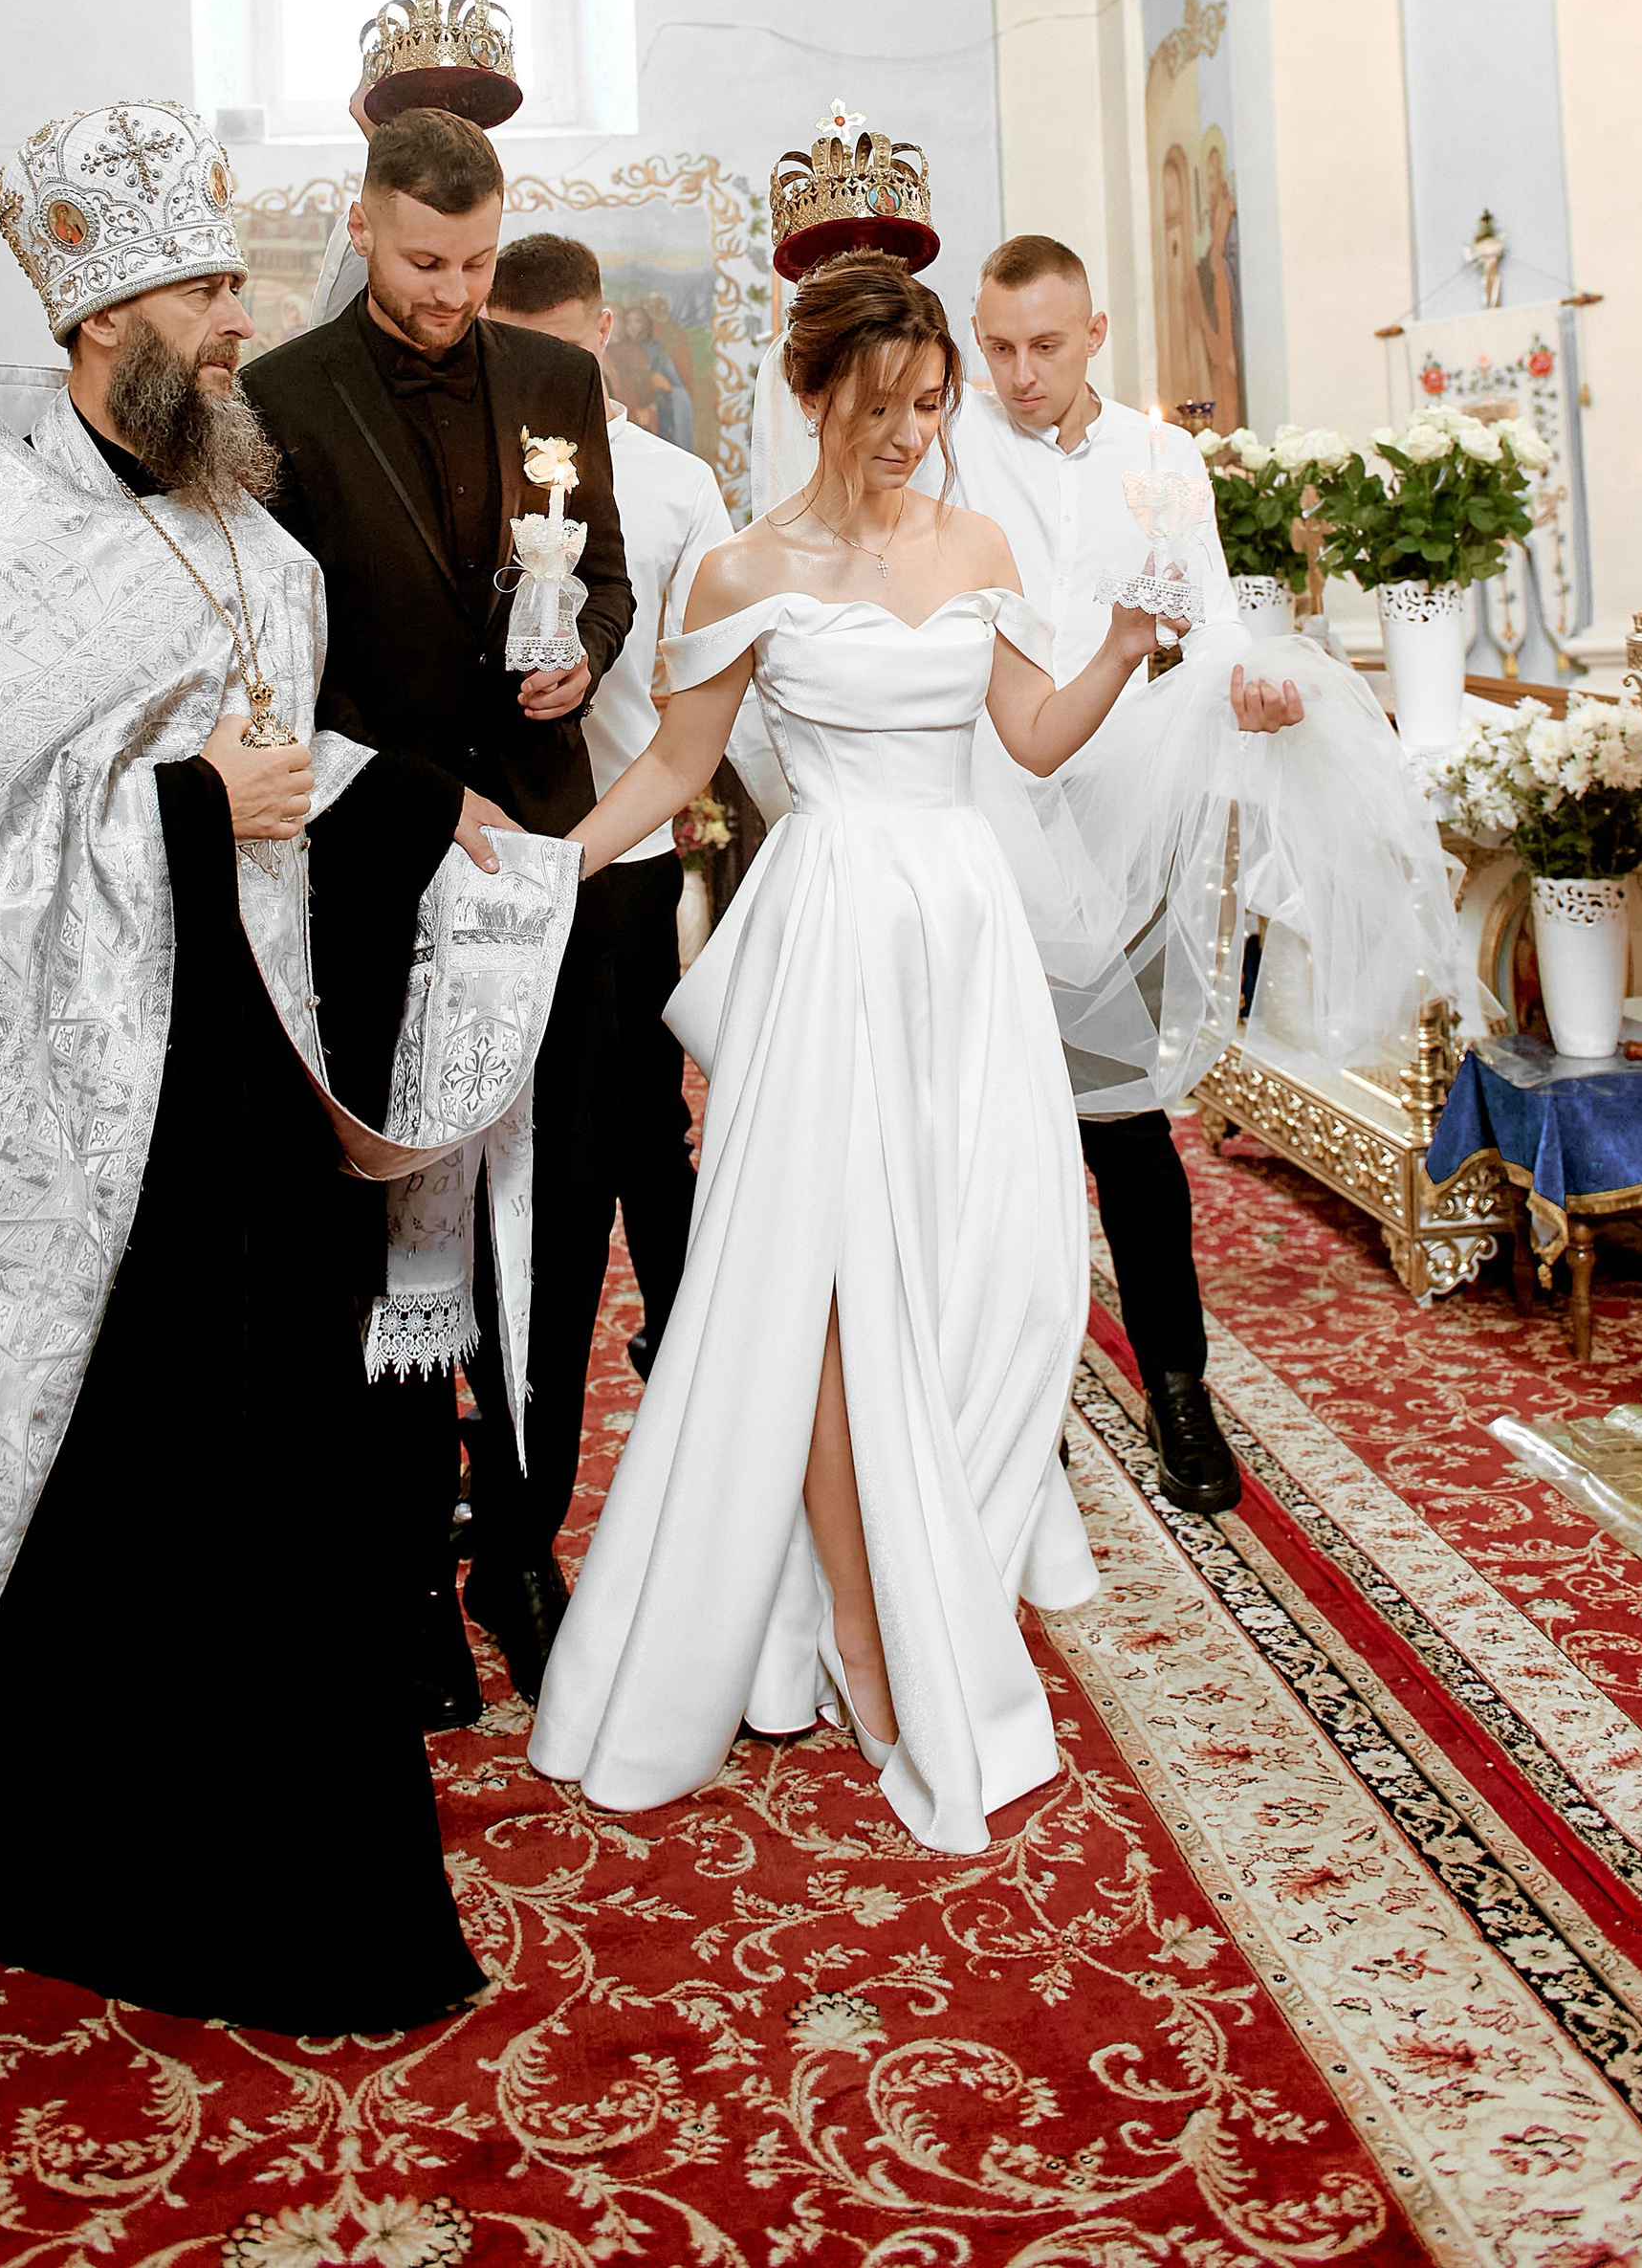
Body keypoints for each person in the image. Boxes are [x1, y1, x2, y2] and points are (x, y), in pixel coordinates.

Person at [0, 101, 571, 2033]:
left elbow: (277, 757)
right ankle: (52, 1860)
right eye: (199, 292)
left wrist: (421, 796)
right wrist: (176, 804)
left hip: (245, 1084)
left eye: (234, 283)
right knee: (99, 1480)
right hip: (79, 1123)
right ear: (97, 318)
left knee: (268, 1480)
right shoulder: (2, 532)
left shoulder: (241, 521)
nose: (236, 322)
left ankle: (258, 1863)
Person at [528, 255, 1303, 1855]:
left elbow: (1026, 731)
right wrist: (551, 866)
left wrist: (1131, 641)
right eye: (883, 409)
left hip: (961, 924)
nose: (912, 436)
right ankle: (868, 1627)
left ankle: (929, 1536)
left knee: (1002, 1264)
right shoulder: (741, 567)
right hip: (827, 931)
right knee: (819, 1283)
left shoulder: (979, 541)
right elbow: (678, 762)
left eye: (933, 406)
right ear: (816, 396)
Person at [244, 110, 634, 1715]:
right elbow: (278, 655)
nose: (452, 291)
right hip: (379, 860)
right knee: (397, 1213)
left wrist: (587, 651)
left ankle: (521, 1546)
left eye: (476, 264)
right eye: (421, 261)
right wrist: (410, 790)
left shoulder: (556, 381)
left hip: (538, 843)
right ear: (363, 223)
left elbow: (598, 573)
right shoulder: (277, 399)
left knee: (547, 1206)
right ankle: (402, 1565)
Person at [952, 235, 1248, 1512]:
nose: (1021, 375)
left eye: (1048, 346)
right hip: (987, 816)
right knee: (998, 1135)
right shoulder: (950, 444)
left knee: (1130, 1133)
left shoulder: (1160, 456)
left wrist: (1255, 689)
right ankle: (1026, 1415)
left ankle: (1177, 1388)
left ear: (1099, 333)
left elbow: (1215, 618)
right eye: (1000, 347)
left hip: (1126, 824)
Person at [484, 232, 745, 1376]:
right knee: (508, 1133)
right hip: (486, 844)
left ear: (602, 331)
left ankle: (685, 1347)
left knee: (645, 1119)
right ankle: (514, 1397)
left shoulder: (679, 486)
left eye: (562, 353)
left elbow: (712, 677)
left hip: (623, 850)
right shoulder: (471, 460)